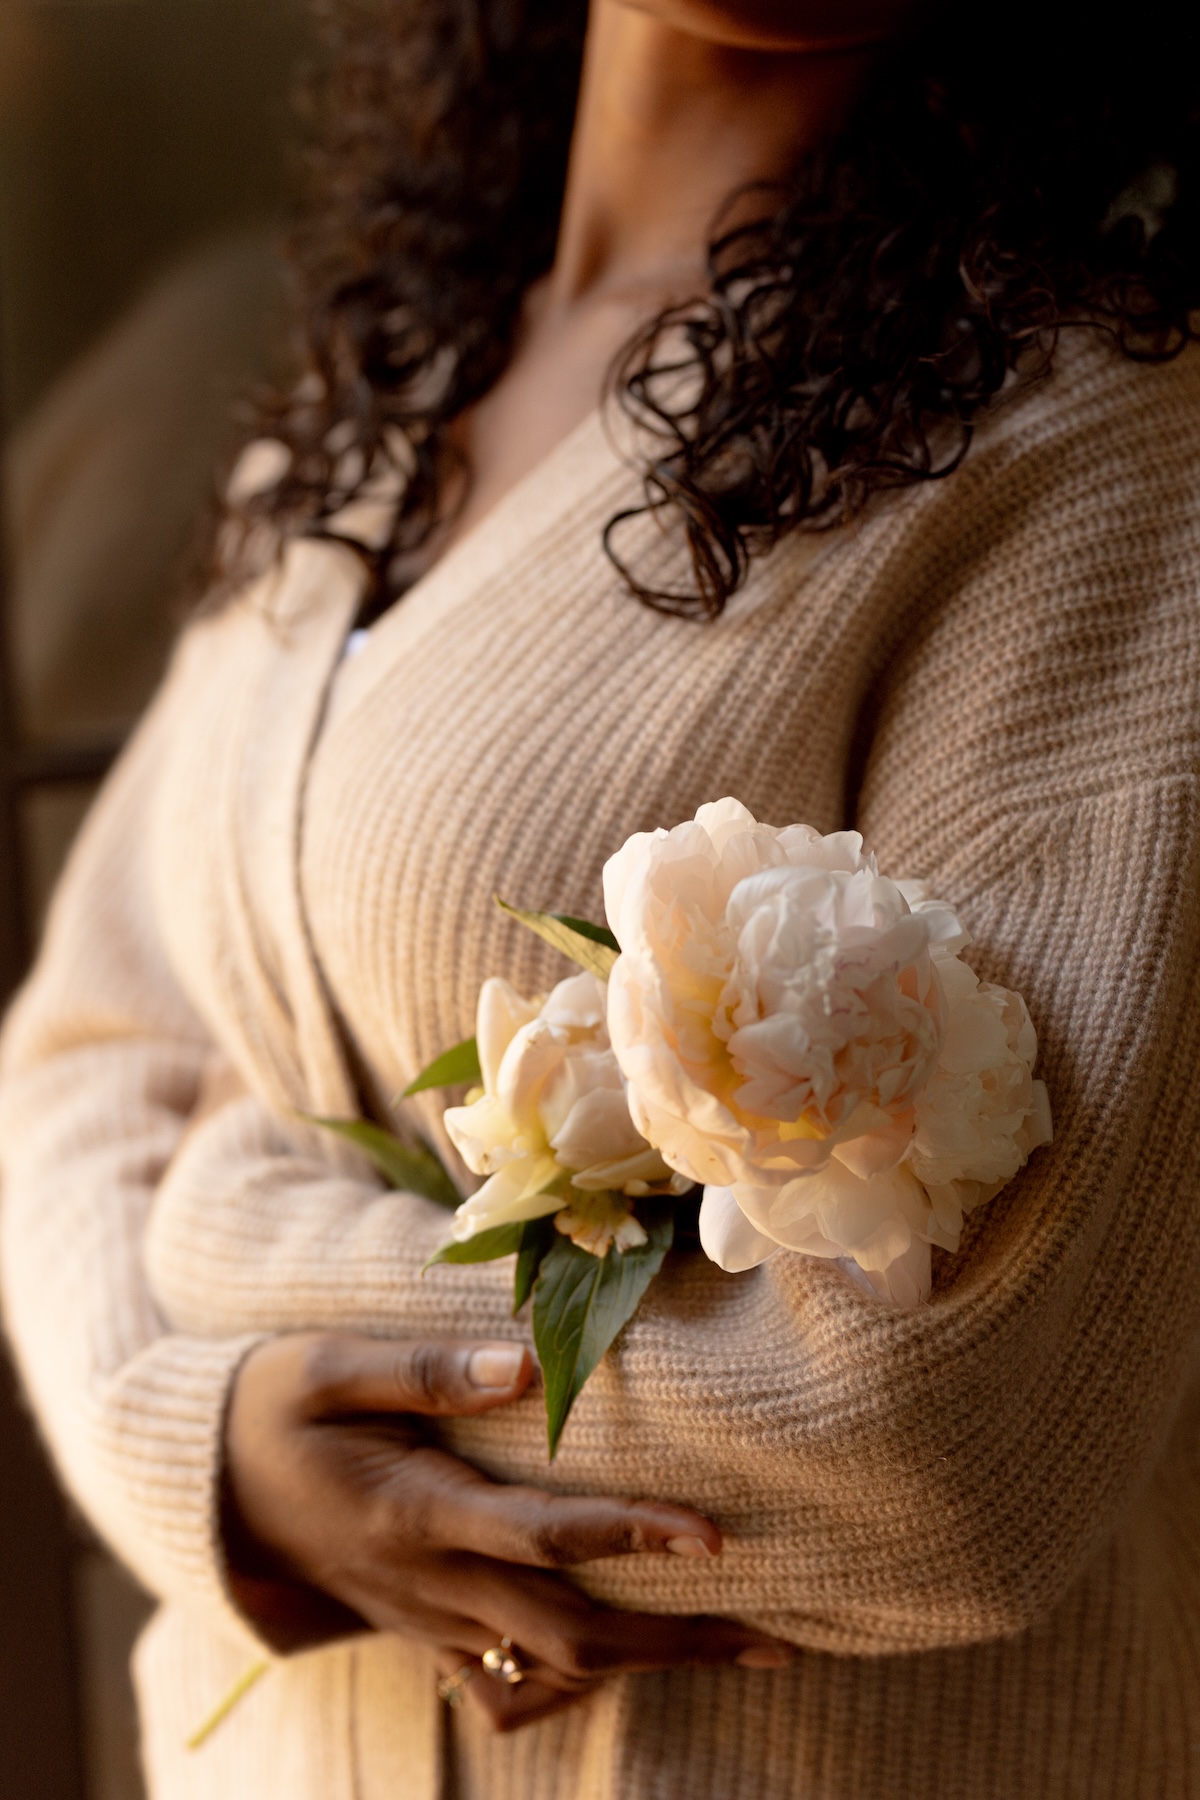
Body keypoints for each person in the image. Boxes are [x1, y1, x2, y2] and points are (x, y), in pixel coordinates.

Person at [2, 1, 1199, 1796]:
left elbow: (949, 1446)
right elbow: (82, 1056)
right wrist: (215, 1449)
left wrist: (226, 1246)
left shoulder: (1100, 431)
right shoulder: (379, 401)